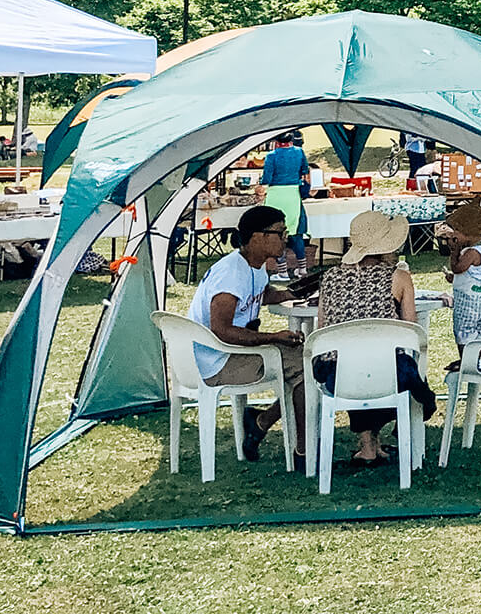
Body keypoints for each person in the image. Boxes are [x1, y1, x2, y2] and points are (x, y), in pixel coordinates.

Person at [314, 211, 436, 469]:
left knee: (354, 361)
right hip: (386, 374)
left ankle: (368, 445)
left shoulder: (330, 277)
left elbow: (322, 329)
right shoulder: (399, 277)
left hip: (340, 377)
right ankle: (381, 438)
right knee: (399, 367)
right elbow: (409, 330)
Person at [187, 206, 306, 462]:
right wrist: (273, 337)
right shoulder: (230, 272)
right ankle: (303, 452)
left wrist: (284, 294)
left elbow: (256, 293)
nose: (285, 238)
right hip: (218, 361)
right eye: (280, 232)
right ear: (257, 237)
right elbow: (222, 330)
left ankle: (262, 422)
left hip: (231, 352)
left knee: (303, 361)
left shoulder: (255, 265)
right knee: (304, 366)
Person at [441, 203, 481, 350]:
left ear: (468, 232)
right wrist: (454, 279)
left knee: (464, 331)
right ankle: (476, 359)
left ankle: (465, 359)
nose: (453, 235)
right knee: (477, 333)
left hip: (470, 301)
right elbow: (469, 275)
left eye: (457, 231)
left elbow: (458, 268)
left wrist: (454, 251)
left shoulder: (472, 252)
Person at [259, 131, 310, 275]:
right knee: (296, 232)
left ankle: (282, 272)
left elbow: (267, 178)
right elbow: (305, 171)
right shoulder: (299, 152)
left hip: (276, 195)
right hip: (293, 194)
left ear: (276, 141)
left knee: (276, 233)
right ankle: (302, 268)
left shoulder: (271, 156)